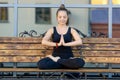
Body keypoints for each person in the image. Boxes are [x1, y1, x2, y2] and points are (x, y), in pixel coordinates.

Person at [37, 4, 85, 70]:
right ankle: (65, 64)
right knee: (41, 64)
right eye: (60, 17)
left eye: (64, 17)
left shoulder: (71, 30)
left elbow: (79, 41)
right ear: (57, 18)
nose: (62, 19)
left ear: (67, 17)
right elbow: (43, 41)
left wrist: (65, 44)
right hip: (56, 56)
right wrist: (58, 44)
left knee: (81, 62)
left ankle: (59, 62)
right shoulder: (52, 30)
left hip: (68, 58)